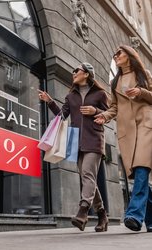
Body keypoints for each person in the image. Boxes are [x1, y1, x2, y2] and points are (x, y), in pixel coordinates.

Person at [38, 62, 109, 232]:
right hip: (76, 141)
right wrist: (49, 102)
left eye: (76, 70)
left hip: (94, 139)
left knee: (87, 174)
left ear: (86, 73)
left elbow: (108, 114)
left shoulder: (100, 94)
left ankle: (82, 211)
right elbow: (62, 115)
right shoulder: (71, 96)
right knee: (87, 177)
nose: (73, 73)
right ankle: (102, 215)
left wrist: (96, 112)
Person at [94, 45, 152, 232]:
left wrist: (141, 92)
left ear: (129, 55)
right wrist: (105, 116)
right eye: (115, 54)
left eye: (120, 53)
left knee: (142, 169)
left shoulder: (144, 74)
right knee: (138, 173)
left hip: (146, 124)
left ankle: (134, 214)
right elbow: (114, 107)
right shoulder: (115, 82)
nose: (116, 55)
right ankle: (150, 220)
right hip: (127, 130)